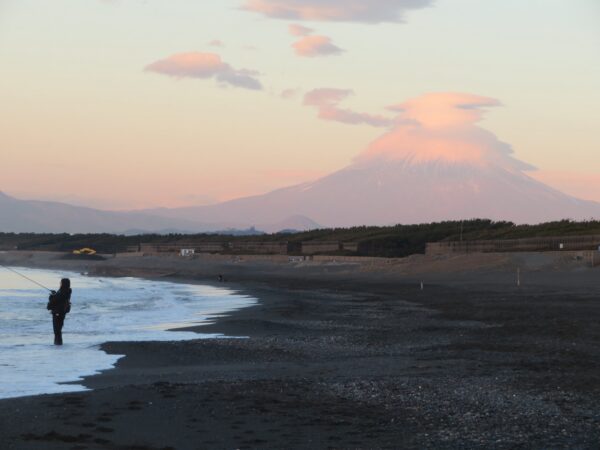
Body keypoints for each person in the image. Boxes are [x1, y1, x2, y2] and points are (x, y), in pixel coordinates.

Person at [47, 278, 72, 346]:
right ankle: (58, 345)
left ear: (63, 283)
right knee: (58, 330)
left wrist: (52, 296)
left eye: (61, 282)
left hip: (58, 312)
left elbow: (55, 300)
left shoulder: (63, 291)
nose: (60, 283)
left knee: (57, 330)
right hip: (61, 312)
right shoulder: (67, 291)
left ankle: (58, 345)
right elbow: (58, 297)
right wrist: (55, 293)